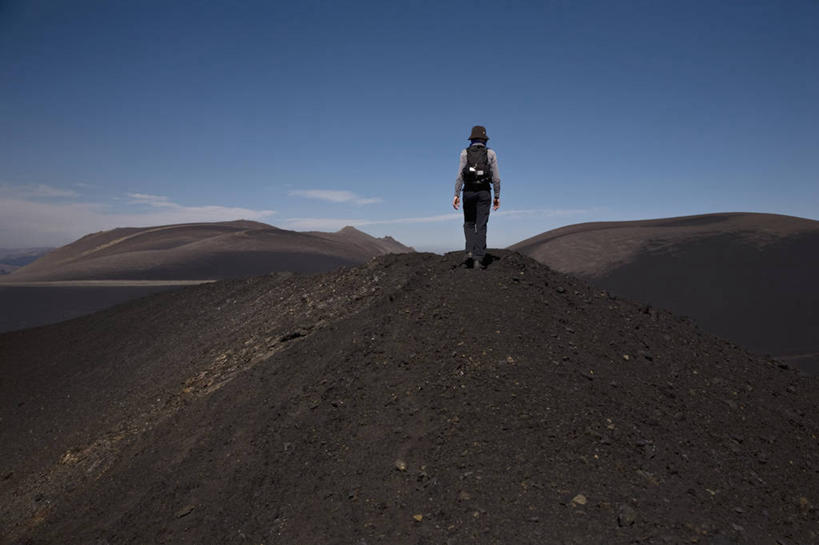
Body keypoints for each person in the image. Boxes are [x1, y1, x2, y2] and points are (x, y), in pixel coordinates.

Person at [453, 125, 501, 268]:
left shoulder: (464, 153)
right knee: (481, 225)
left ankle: (469, 251)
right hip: (484, 192)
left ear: (472, 139)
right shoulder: (491, 153)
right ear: (484, 139)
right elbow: (496, 178)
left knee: (469, 223)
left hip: (468, 192)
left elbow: (460, 176)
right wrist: (497, 196)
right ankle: (478, 259)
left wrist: (456, 194)